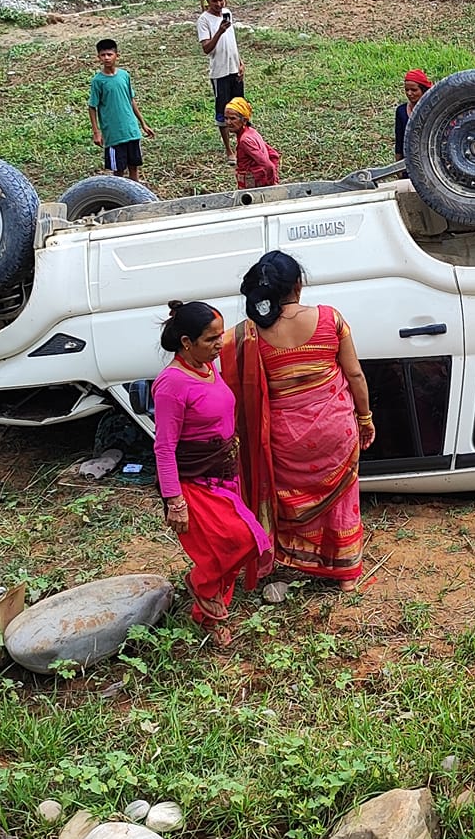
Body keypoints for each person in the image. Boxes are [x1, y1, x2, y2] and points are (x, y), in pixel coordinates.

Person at [225, 252, 372, 583]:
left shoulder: (248, 335)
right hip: (336, 429)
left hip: (284, 439)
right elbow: (356, 376)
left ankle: (295, 560)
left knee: (292, 499)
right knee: (343, 497)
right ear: (298, 285)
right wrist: (365, 419)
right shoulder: (330, 319)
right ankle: (346, 573)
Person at [154, 301, 272, 644]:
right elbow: (163, 447)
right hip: (194, 482)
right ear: (187, 342)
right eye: (211, 339)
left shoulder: (209, 368)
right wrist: (174, 500)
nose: (220, 344)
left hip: (224, 475)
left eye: (220, 335)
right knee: (240, 541)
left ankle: (208, 615)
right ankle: (204, 590)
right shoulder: (172, 385)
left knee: (238, 545)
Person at [89, 38, 153, 182]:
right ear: (98, 57)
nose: (106, 58)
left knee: (134, 166)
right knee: (118, 171)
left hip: (131, 130)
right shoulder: (98, 81)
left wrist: (143, 124)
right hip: (113, 134)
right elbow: (92, 106)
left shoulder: (124, 75)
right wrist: (96, 132)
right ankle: (118, 203)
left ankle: (136, 198)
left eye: (109, 54)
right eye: (103, 55)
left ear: (117, 56)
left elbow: (131, 100)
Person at [197, 0, 244, 147]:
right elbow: (206, 48)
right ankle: (228, 149)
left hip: (234, 69)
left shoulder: (227, 13)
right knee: (223, 112)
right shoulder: (203, 20)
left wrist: (240, 62)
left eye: (221, 0)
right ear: (208, 1)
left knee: (239, 108)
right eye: (214, 1)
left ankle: (242, 143)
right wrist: (219, 32)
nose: (219, 4)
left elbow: (232, 42)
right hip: (220, 73)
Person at [222, 98, 281, 189]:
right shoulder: (252, 132)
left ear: (244, 120)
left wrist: (271, 186)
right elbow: (273, 154)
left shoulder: (245, 141)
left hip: (254, 187)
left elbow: (268, 165)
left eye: (233, 118)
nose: (228, 122)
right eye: (226, 118)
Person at [394, 69, 431, 160]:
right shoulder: (401, 111)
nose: (409, 93)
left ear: (423, 90)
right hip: (409, 161)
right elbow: (399, 141)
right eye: (407, 90)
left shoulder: (432, 111)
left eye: (414, 90)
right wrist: (398, 166)